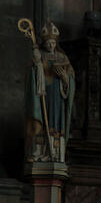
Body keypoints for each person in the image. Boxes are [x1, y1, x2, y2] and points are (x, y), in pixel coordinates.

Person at [25, 19, 75, 163]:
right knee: (41, 123)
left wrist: (65, 77)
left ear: (56, 43)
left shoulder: (63, 57)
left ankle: (55, 153)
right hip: (43, 95)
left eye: (53, 43)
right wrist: (37, 64)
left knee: (55, 124)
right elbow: (31, 74)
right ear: (44, 43)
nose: (50, 45)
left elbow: (71, 79)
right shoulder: (39, 55)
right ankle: (40, 152)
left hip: (57, 97)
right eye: (48, 43)